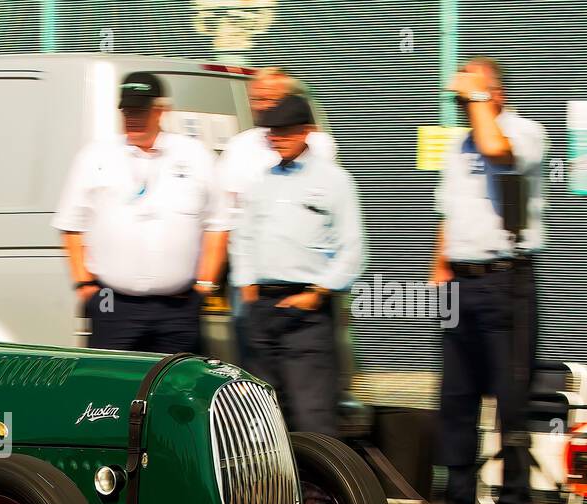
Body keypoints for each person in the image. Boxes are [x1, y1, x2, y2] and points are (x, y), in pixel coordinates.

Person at [432, 56, 547, 504]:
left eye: (469, 97)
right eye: (458, 100)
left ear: (493, 94)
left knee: (510, 397)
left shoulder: (524, 132)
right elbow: (449, 213)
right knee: (456, 397)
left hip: (506, 281)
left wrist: (479, 96)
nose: (461, 106)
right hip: (461, 282)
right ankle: (457, 503)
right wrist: (438, 268)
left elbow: (495, 148)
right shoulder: (457, 145)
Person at [53, 71, 225, 353]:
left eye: (140, 111)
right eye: (127, 111)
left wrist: (205, 284)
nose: (132, 117)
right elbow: (71, 224)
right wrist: (84, 284)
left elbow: (218, 223)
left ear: (160, 111)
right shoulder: (96, 156)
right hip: (111, 302)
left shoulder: (194, 155)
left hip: (178, 306)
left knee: (176, 387)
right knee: (111, 384)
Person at [231, 94, 366, 436]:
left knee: (312, 416)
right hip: (262, 311)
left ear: (307, 131)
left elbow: (354, 249)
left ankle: (316, 491)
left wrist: (317, 293)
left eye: (286, 131)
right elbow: (243, 236)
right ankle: (268, 489)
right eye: (272, 131)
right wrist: (247, 287)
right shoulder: (264, 181)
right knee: (258, 419)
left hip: (307, 313)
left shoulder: (334, 180)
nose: (277, 137)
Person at [214, 67, 338, 367]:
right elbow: (228, 214)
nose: (261, 105)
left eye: (270, 98)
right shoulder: (239, 147)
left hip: (306, 280)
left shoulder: (319, 145)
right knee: (255, 366)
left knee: (308, 367)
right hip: (253, 280)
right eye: (256, 98)